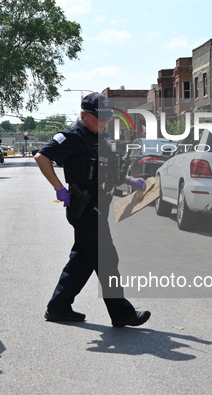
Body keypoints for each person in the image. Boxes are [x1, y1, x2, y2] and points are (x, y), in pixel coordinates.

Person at [34, 92, 151, 328]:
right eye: (100, 118)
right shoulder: (72, 137)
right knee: (107, 258)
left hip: (101, 204)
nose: (105, 122)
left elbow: (107, 172)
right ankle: (121, 313)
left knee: (82, 260)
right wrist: (59, 189)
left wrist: (129, 181)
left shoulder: (102, 138)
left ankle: (59, 307)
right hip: (85, 207)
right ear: (85, 115)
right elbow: (41, 157)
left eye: (107, 118)